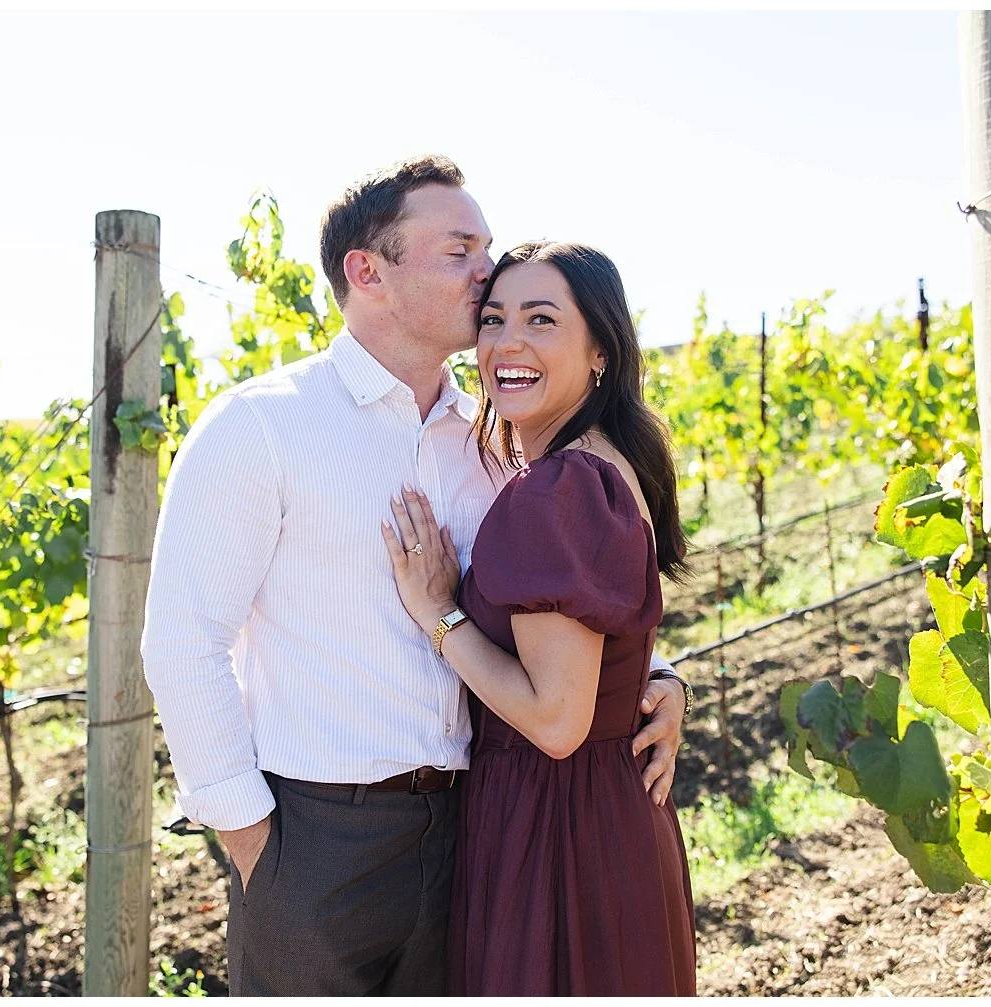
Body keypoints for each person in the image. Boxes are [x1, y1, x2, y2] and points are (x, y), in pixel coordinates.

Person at [140, 155, 693, 996]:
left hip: (476, 827)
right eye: (460, 250)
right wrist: (254, 839)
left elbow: (559, 601)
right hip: (318, 839)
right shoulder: (261, 428)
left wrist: (651, 676)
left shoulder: (491, 442)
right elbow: (183, 641)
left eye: (488, 248)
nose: (486, 271)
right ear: (370, 272)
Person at [383, 240, 697, 995]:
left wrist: (439, 615)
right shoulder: (607, 460)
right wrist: (661, 676)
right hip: (606, 817)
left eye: (542, 319)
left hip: (556, 835)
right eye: (493, 318)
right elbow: (606, 639)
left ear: (600, 352)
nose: (508, 342)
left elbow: (555, 720)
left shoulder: (558, 488)